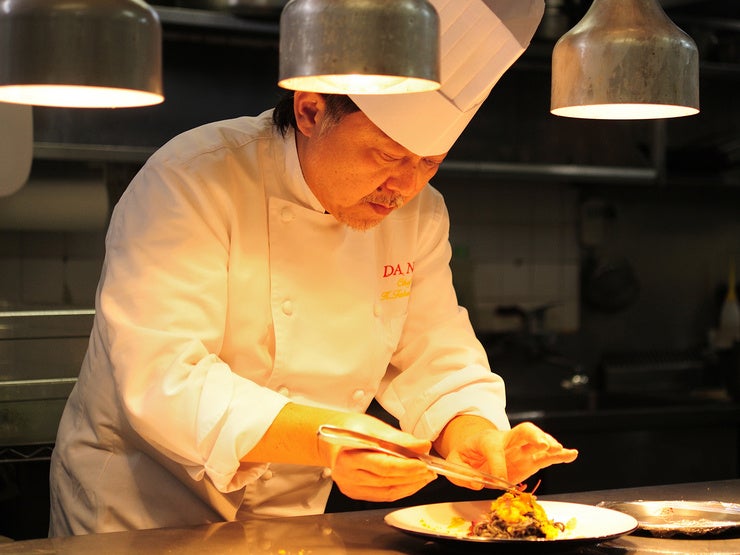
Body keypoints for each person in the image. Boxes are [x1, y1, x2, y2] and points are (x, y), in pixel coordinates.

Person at [49, 0, 577, 536]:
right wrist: (328, 437)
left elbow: (434, 356)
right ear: (310, 111)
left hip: (288, 522)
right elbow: (166, 381)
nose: (405, 187)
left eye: (430, 162)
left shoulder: (419, 213)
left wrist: (475, 435)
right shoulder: (189, 180)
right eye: (387, 156)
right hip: (141, 517)